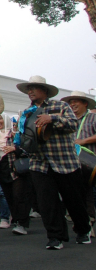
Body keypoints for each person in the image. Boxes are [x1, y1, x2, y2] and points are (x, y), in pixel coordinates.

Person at [16, 75, 91, 249]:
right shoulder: (26, 113)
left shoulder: (61, 106)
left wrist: (53, 119)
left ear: (45, 91)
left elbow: (73, 124)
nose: (30, 91)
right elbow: (24, 137)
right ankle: (55, 237)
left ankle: (83, 230)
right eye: (29, 89)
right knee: (47, 202)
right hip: (39, 162)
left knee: (74, 200)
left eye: (34, 88)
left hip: (64, 160)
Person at [59, 90, 96, 226]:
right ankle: (82, 222)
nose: (72, 104)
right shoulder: (68, 120)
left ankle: (89, 221)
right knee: (76, 193)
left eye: (76, 101)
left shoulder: (93, 118)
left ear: (85, 103)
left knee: (87, 192)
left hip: (89, 163)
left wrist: (84, 141)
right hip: (71, 162)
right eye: (70, 102)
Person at [0, 114, 33, 236]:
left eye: (0, 119)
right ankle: (15, 219)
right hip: (1, 169)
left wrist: (14, 148)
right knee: (9, 197)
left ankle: (22, 223)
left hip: (16, 169)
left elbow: (28, 149)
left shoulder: (16, 133)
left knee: (19, 196)